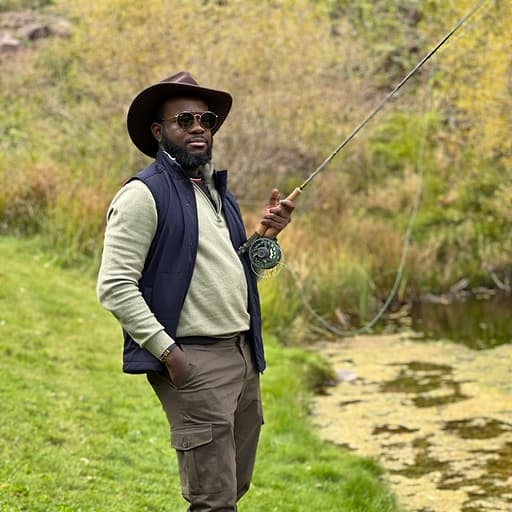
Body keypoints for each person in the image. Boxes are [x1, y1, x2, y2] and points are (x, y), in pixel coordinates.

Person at [96, 71, 295, 511]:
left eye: (206, 120)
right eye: (184, 120)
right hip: (192, 359)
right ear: (158, 131)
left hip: (243, 356)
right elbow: (114, 286)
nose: (198, 127)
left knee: (233, 487)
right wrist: (169, 354)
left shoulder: (214, 191)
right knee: (213, 499)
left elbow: (230, 271)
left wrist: (265, 237)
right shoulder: (143, 195)